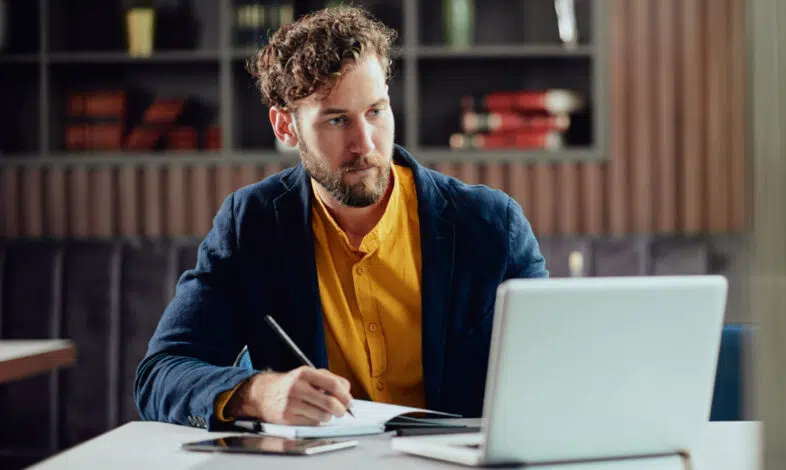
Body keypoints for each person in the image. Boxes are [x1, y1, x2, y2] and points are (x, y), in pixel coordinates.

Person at [133, 5, 548, 431]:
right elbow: (160, 375)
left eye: (375, 111)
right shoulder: (251, 224)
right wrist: (259, 393)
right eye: (336, 120)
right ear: (285, 127)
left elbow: (555, 367)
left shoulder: (491, 223)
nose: (364, 143)